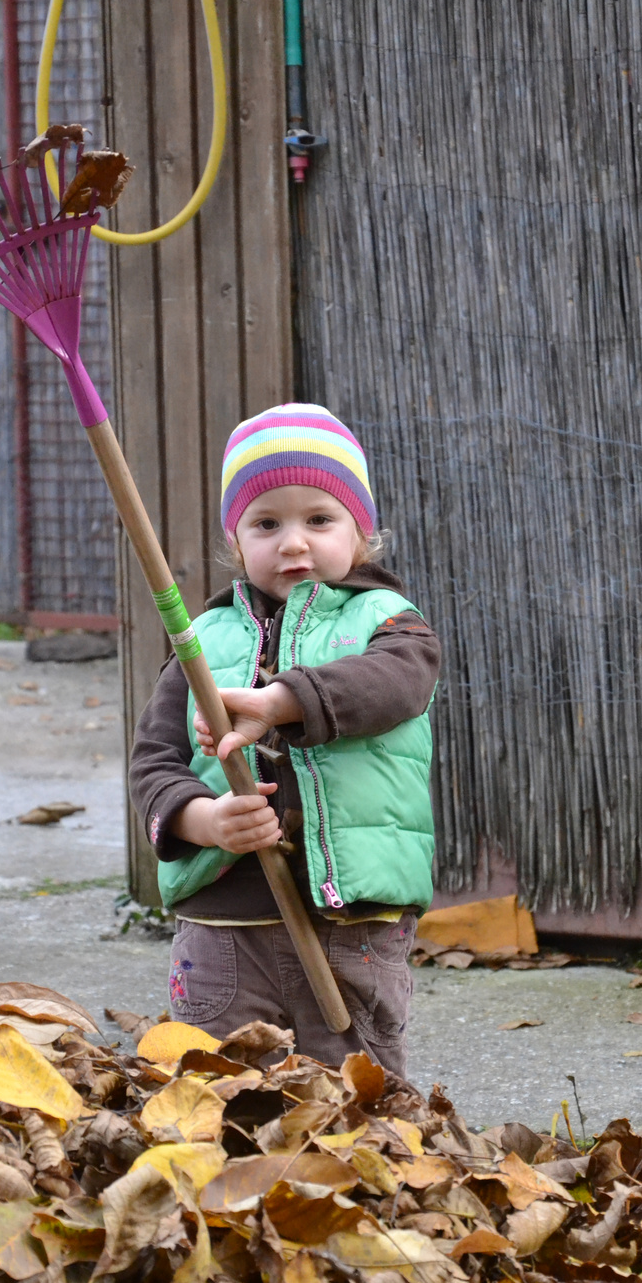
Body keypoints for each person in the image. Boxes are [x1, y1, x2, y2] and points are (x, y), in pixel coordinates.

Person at [129, 403, 440, 1076]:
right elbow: (153, 763)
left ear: (361, 532)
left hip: (351, 917)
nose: (293, 543)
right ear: (235, 541)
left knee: (357, 1092)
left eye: (319, 520)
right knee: (219, 1086)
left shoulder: (388, 623)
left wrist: (280, 702)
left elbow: (395, 685)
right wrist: (201, 819)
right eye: (266, 523)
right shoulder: (201, 643)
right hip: (225, 921)